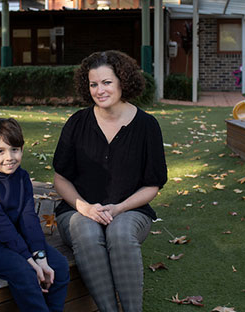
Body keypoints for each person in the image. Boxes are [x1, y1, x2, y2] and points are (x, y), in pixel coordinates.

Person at [52, 50, 168, 312]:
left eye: (106, 82)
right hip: (78, 210)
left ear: (122, 82)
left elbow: (153, 184)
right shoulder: (77, 123)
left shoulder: (147, 125)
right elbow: (60, 178)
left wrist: (118, 208)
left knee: (120, 232)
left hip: (131, 211)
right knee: (86, 230)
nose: (99, 90)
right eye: (93, 84)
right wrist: (84, 207)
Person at [0, 118, 70, 312]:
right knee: (26, 272)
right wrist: (31, 261)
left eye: (15, 149)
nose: (9, 157)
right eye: (0, 151)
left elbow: (28, 219)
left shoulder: (22, 177)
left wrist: (41, 256)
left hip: (17, 238)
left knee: (59, 266)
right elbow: (0, 226)